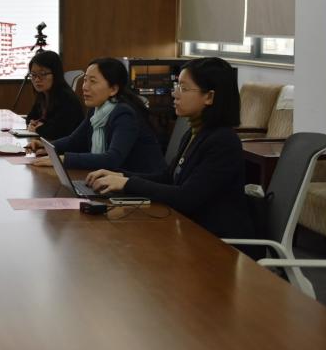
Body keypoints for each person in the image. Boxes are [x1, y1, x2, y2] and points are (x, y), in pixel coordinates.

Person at [85, 57, 254, 238]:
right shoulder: (194, 133)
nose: (175, 94)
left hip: (217, 241)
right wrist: (120, 176)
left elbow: (187, 197)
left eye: (183, 88)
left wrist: (127, 183)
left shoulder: (223, 142)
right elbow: (168, 177)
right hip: (188, 229)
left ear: (209, 97)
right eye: (177, 86)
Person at [28, 57, 163, 173]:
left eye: (92, 81)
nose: (85, 87)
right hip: (114, 180)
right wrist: (46, 145)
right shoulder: (97, 110)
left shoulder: (124, 114)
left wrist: (63, 159)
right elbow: (74, 140)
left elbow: (112, 159)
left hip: (144, 185)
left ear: (113, 89)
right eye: (85, 80)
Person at [24, 51, 85, 140]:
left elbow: (58, 132)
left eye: (42, 74)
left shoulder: (67, 99)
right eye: (33, 75)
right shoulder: (43, 95)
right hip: (48, 143)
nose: (37, 79)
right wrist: (32, 123)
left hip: (66, 147)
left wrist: (38, 128)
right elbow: (31, 117)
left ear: (56, 74)